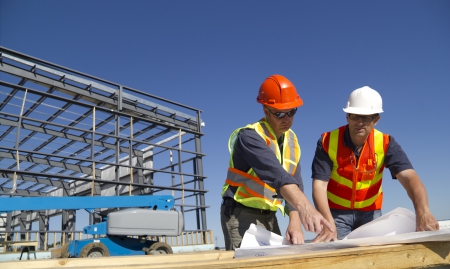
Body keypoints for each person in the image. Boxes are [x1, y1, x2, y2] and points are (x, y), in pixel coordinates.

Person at [311, 86, 440, 242]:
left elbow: (409, 177)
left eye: (366, 117)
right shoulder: (327, 141)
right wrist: (327, 221)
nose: (360, 122)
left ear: (376, 120)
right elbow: (319, 185)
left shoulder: (386, 143)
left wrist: (423, 211)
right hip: (336, 214)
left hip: (371, 214)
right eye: (355, 116)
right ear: (347, 116)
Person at [220, 74, 333, 250]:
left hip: (269, 215)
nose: (286, 119)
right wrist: (306, 208)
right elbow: (278, 175)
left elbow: (295, 180)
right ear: (266, 110)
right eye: (279, 113)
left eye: (291, 112)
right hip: (240, 213)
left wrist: (295, 221)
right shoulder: (249, 136)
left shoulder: (291, 140)